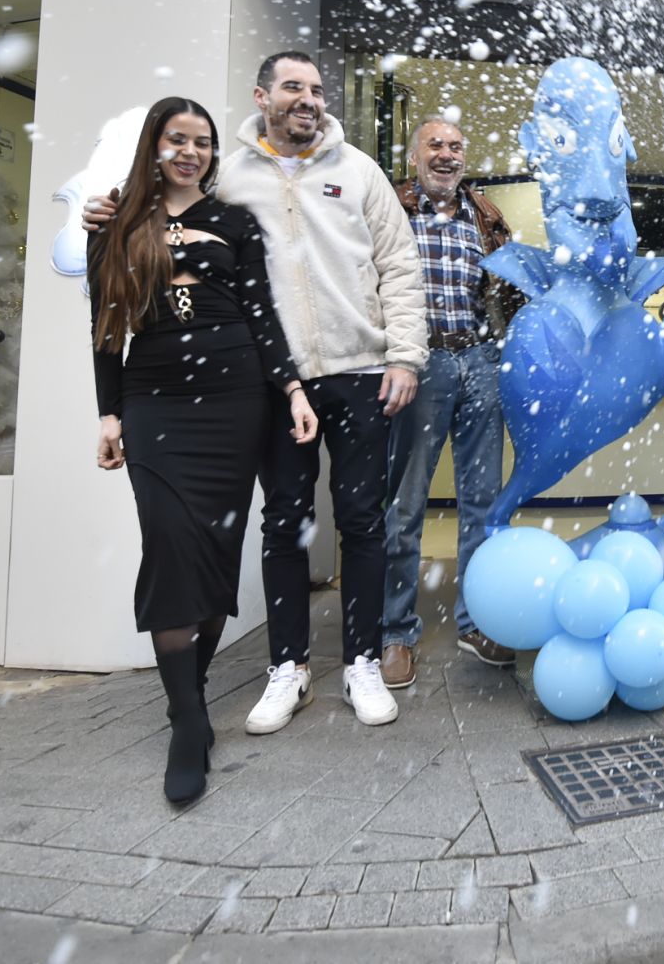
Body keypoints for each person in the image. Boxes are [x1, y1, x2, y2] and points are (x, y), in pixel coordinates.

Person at [86, 52, 427, 730]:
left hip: (360, 372)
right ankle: (288, 667)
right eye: (294, 87)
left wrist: (406, 357)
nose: (309, 98)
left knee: (362, 520)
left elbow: (399, 265)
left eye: (318, 89)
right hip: (274, 382)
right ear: (262, 95)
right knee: (284, 524)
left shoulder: (358, 171)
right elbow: (169, 207)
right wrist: (111, 211)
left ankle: (360, 660)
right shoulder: (229, 175)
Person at [88, 97, 316, 803]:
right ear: (153, 145)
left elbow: (261, 312)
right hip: (154, 400)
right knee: (168, 540)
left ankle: (192, 692)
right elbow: (105, 327)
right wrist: (108, 414)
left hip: (235, 399)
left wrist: (293, 390)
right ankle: (188, 720)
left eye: (203, 142)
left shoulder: (233, 221)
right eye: (177, 139)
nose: (191, 151)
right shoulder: (115, 221)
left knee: (216, 554)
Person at [380, 114, 525, 687]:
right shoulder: (391, 210)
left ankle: (475, 621)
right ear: (415, 156)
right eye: (435, 145)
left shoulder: (485, 216)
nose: (446, 154)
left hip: (480, 361)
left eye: (456, 146)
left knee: (483, 505)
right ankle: (395, 632)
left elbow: (509, 296)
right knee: (404, 505)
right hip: (419, 364)